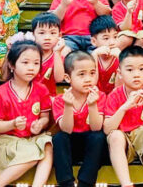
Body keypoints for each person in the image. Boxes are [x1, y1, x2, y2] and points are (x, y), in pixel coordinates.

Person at [0, 41, 53, 187]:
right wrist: (12, 124)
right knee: (32, 152)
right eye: (25, 62)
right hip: (9, 140)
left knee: (47, 145)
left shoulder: (41, 90)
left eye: (36, 63)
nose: (31, 68)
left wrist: (40, 124)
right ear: (12, 65)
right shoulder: (0, 94)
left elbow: (45, 117)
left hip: (32, 137)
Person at [103, 46, 143, 187]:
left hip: (142, 137)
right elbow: (107, 129)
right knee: (115, 136)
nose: (136, 74)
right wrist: (125, 107)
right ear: (120, 73)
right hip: (123, 139)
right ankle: (126, 184)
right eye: (130, 70)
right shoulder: (114, 95)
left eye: (142, 69)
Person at [52, 51, 107, 187]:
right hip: (70, 147)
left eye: (92, 73)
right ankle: (66, 183)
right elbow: (66, 129)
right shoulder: (60, 100)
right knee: (59, 138)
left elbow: (96, 127)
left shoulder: (100, 96)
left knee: (98, 137)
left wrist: (92, 105)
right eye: (81, 74)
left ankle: (85, 183)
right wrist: (68, 106)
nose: (88, 79)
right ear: (68, 78)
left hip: (92, 149)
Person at [31, 12, 68, 96]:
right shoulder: (27, 54)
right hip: (28, 97)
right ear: (33, 34)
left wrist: (57, 53)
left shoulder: (58, 57)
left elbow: (59, 79)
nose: (47, 38)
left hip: (48, 97)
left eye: (52, 33)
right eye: (41, 33)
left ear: (59, 35)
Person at [90, 15, 121, 94]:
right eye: (106, 38)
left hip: (115, 97)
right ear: (94, 41)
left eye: (115, 37)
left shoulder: (120, 57)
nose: (112, 42)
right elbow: (92, 83)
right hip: (95, 96)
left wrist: (121, 59)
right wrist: (94, 55)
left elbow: (120, 88)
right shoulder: (91, 57)